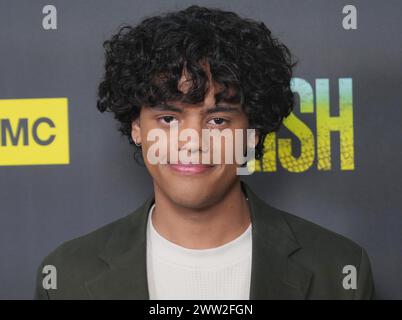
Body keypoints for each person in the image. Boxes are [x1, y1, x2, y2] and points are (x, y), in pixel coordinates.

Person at [35, 5, 374, 299]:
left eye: (218, 120)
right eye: (168, 118)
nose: (192, 141)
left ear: (251, 132)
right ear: (136, 127)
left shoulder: (338, 269)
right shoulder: (66, 276)